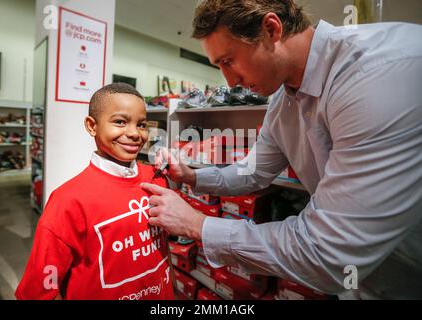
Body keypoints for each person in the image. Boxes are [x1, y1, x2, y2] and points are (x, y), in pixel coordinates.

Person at [141, 0, 422, 299]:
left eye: (228, 61)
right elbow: (253, 173)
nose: (230, 82)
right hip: (361, 283)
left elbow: (329, 253)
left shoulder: (377, 75)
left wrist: (198, 224)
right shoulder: (283, 101)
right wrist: (193, 177)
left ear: (271, 29)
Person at [16, 83, 174, 300]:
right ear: (92, 126)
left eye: (142, 124)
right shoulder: (68, 200)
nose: (135, 133)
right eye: (120, 122)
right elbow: (37, 289)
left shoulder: (156, 179)